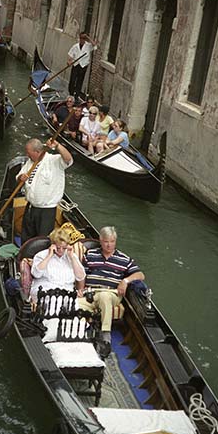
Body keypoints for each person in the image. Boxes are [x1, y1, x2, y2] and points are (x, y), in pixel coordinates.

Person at [78, 226, 145, 357]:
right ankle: (80, 338)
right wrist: (80, 289)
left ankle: (105, 338)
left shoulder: (124, 259)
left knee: (104, 296)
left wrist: (125, 281)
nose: (109, 245)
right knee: (74, 305)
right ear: (100, 240)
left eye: (112, 241)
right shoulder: (90, 254)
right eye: (106, 241)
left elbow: (140, 275)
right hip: (90, 293)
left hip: (111, 293)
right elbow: (82, 274)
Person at [16, 138, 73, 244]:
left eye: (29, 153)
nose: (27, 155)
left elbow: (68, 159)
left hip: (46, 210)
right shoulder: (29, 162)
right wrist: (21, 178)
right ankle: (25, 257)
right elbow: (19, 177)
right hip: (31, 207)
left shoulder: (54, 160)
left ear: (37, 152)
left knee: (42, 239)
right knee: (27, 235)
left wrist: (57, 146)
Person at [30, 228, 85, 303]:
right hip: (45, 290)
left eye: (64, 248)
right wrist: (49, 256)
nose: (61, 250)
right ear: (53, 244)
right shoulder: (41, 255)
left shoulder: (71, 256)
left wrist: (72, 257)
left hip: (67, 292)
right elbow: (36, 274)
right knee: (55, 300)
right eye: (58, 248)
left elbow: (81, 277)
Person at [68, 33, 97, 99]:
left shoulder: (88, 46)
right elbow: (70, 55)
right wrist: (69, 61)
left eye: (84, 38)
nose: (82, 40)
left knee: (80, 81)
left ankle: (76, 95)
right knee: (72, 80)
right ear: (79, 38)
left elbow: (95, 45)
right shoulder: (75, 46)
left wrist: (88, 37)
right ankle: (71, 93)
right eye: (81, 38)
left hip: (83, 66)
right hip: (76, 65)